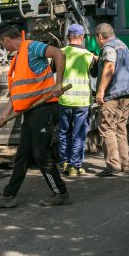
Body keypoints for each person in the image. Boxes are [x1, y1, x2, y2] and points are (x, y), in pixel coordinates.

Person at [0, 21, 70, 209]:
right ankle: (8, 196)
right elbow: (17, 94)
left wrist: (58, 84)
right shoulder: (17, 60)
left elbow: (59, 53)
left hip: (45, 108)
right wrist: (3, 116)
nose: (3, 48)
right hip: (30, 112)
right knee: (22, 155)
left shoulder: (32, 47)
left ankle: (60, 193)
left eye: (2, 44)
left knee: (40, 153)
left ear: (6, 39)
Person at [93, 23, 129, 177]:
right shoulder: (121, 44)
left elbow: (109, 68)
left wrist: (100, 91)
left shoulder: (108, 47)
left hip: (115, 94)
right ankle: (124, 163)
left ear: (100, 36)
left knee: (107, 128)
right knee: (120, 129)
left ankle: (113, 165)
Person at [57, 24, 97, 177]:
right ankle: (75, 166)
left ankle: (65, 163)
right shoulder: (88, 55)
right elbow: (94, 74)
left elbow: (54, 70)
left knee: (64, 132)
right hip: (82, 101)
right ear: (82, 38)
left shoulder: (60, 53)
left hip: (64, 100)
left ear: (68, 38)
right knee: (79, 134)